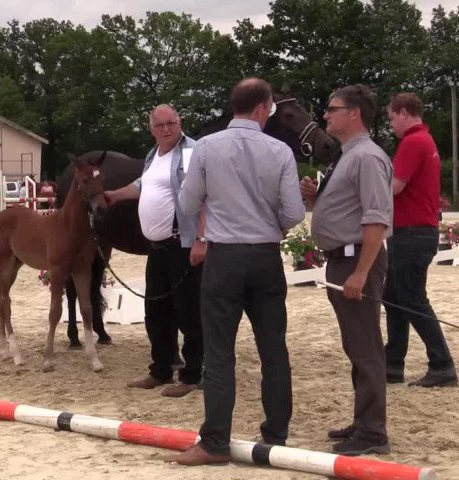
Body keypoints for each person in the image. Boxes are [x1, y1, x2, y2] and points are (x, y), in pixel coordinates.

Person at [166, 78, 305, 466]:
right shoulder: (279, 150)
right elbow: (294, 212)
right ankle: (276, 433)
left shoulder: (207, 147)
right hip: (265, 255)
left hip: (224, 256)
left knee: (220, 352)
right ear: (263, 106)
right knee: (273, 348)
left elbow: (188, 202)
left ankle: (215, 442)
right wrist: (271, 225)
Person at [300, 84, 392, 456]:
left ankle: (372, 434)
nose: (325, 115)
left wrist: (359, 273)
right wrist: (315, 198)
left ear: (354, 113)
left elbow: (375, 220)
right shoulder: (347, 155)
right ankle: (364, 421)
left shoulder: (366, 157)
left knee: (366, 346)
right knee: (356, 344)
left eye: (331, 109)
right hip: (345, 259)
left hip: (357, 260)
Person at [104, 104, 205, 398]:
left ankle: (192, 374)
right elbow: (143, 184)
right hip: (158, 247)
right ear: (151, 128)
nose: (166, 129)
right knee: (156, 312)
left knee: (189, 312)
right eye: (160, 125)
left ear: (180, 122)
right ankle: (160, 369)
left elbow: (203, 196)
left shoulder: (190, 152)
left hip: (182, 244)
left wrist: (201, 238)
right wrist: (115, 195)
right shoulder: (153, 155)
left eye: (171, 123)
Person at [384, 93, 457, 387]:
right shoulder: (424, 141)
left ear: (404, 113)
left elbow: (395, 187)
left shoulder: (413, 142)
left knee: (412, 297)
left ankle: (442, 364)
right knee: (393, 296)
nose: (390, 125)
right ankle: (393, 364)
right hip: (416, 230)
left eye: (391, 118)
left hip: (411, 232)